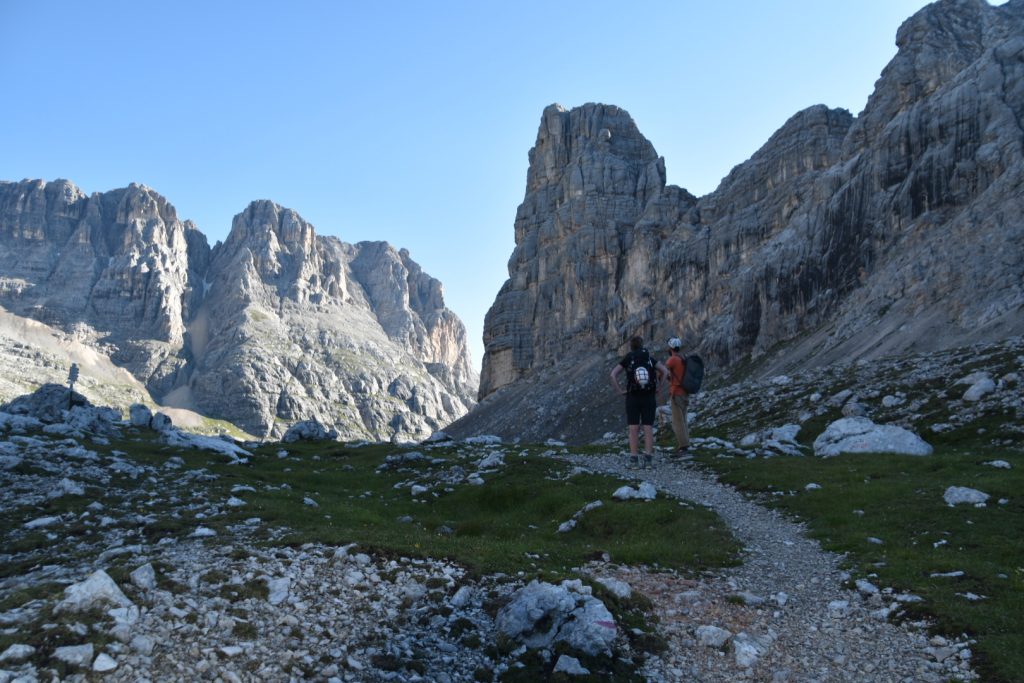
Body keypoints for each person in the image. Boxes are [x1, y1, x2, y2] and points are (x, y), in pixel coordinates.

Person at [610, 336, 668, 469]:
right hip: (649, 396)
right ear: (642, 346)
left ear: (631, 347)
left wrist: (620, 391)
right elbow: (665, 371)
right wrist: (659, 387)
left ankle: (634, 460)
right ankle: (648, 460)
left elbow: (613, 375)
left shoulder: (628, 359)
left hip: (633, 397)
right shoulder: (649, 359)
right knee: (648, 427)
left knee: (633, 428)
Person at [664, 337, 691, 456]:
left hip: (676, 393)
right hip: (685, 392)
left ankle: (683, 447)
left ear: (670, 348)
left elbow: (663, 370)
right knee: (683, 420)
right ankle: (686, 443)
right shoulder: (683, 358)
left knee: (677, 421)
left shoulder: (673, 360)